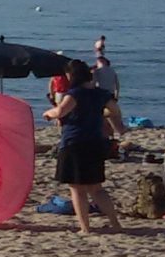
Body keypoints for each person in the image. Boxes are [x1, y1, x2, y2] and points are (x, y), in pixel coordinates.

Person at [41, 60, 125, 234]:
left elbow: (60, 112)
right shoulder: (101, 94)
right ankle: (115, 224)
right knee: (96, 188)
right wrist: (98, 113)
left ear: (72, 76)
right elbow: (115, 111)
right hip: (96, 143)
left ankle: (85, 227)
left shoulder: (74, 94)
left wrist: (48, 114)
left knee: (77, 188)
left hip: (75, 143)